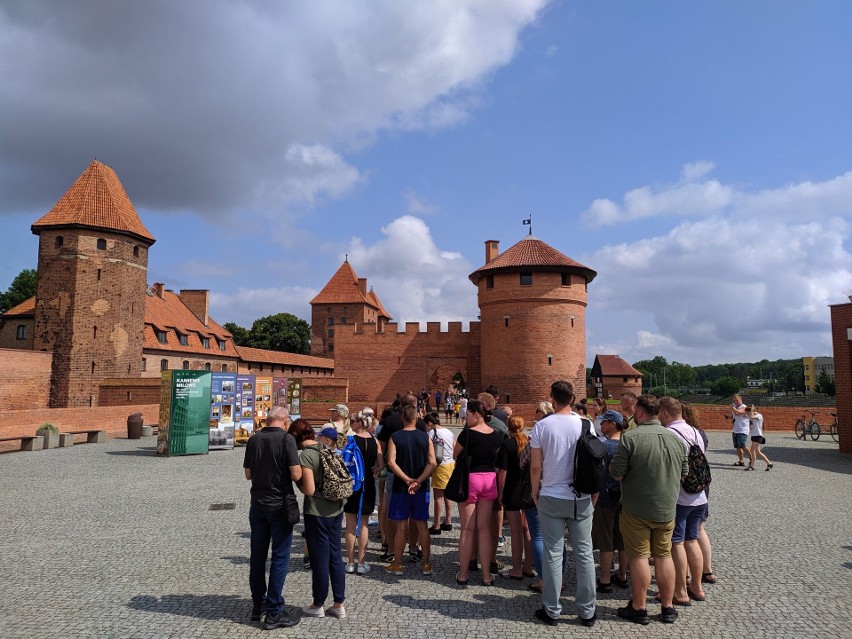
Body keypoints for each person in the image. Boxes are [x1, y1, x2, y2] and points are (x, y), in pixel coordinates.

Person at [610, 395, 687, 625]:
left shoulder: (630, 438)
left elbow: (616, 472)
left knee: (639, 556)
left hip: (636, 508)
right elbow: (684, 473)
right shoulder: (676, 439)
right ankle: (667, 607)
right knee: (663, 555)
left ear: (640, 413)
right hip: (666, 508)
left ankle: (639, 607)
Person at [529, 380, 597, 628]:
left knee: (553, 554)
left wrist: (535, 493)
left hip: (551, 495)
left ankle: (552, 610)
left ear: (552, 398)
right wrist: (594, 493)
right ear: (572, 398)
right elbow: (595, 461)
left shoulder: (541, 426)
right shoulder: (586, 424)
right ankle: (587, 611)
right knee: (584, 554)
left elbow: (536, 466)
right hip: (581, 497)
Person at [243, 406, 302, 629]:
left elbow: (248, 474)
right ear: (284, 421)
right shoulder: (287, 440)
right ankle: (275, 610)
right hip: (279, 505)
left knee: (257, 556)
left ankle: (258, 605)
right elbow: (296, 474)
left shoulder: (254, 439)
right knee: (279, 557)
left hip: (257, 504)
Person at [289, 420, 347, 619]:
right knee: (335, 556)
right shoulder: (325, 448)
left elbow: (310, 489)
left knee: (319, 559)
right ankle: (339, 603)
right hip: (336, 508)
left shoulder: (306, 455)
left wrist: (297, 481)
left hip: (317, 512)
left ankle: (318, 604)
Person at [659, 397, 709, 606]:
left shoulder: (670, 434)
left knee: (676, 543)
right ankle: (696, 587)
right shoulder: (695, 431)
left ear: (664, 413)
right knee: (692, 540)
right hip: (699, 496)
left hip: (680, 497)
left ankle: (680, 591)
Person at [453, 399, 504, 587]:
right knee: (484, 529)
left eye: (467, 414)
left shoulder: (467, 434)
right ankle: (486, 576)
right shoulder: (496, 435)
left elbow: (454, 454)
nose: (466, 417)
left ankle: (464, 574)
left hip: (471, 479)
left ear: (476, 414)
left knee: (467, 529)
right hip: (489, 479)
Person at [385, 405, 437, 576]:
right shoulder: (425, 437)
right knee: (422, 525)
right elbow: (432, 463)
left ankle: (398, 564)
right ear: (416, 419)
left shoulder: (395, 436)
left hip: (401, 486)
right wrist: (419, 480)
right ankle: (426, 564)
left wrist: (407, 479)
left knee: (401, 526)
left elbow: (391, 463)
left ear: (402, 419)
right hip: (421, 488)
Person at [592, 409, 628, 593]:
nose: (601, 425)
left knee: (606, 540)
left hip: (605, 498)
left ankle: (605, 578)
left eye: (604, 422)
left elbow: (597, 475)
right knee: (622, 540)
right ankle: (622, 575)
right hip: (624, 498)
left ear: (612, 424)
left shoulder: (604, 448)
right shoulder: (627, 444)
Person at [344, 410, 382, 575]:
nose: (351, 423)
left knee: (350, 525)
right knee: (364, 524)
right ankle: (362, 562)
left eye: (353, 421)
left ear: (359, 423)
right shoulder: (375, 441)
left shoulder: (350, 440)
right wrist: (373, 471)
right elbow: (380, 465)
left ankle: (350, 562)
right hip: (367, 483)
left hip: (352, 484)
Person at [497, 415, 534, 580]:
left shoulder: (507, 443)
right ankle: (528, 566)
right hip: (528, 490)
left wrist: (500, 493)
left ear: (508, 427)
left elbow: (502, 472)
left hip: (512, 491)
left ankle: (516, 569)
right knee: (528, 530)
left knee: (516, 531)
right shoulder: (530, 441)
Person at [426, 412, 455, 534]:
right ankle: (448, 521)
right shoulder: (449, 431)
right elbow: (454, 446)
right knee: (448, 495)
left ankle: (436, 525)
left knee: (437, 497)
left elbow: (428, 450)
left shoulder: (432, 433)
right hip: (450, 464)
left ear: (429, 423)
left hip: (440, 466)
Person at [747, 405, 773, 471]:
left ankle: (751, 465)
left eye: (748, 412)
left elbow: (753, 417)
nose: (747, 413)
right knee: (758, 452)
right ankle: (769, 463)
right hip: (753, 435)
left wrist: (751, 411)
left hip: (758, 435)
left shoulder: (759, 415)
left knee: (752, 450)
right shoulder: (750, 416)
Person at [730, 395, 753, 466]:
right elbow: (735, 415)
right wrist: (729, 417)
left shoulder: (744, 407)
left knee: (742, 445)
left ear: (740, 399)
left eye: (736, 400)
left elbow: (738, 412)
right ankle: (741, 460)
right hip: (736, 429)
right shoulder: (735, 407)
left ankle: (751, 457)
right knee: (737, 446)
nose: (735, 402)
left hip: (742, 429)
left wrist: (732, 407)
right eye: (734, 400)